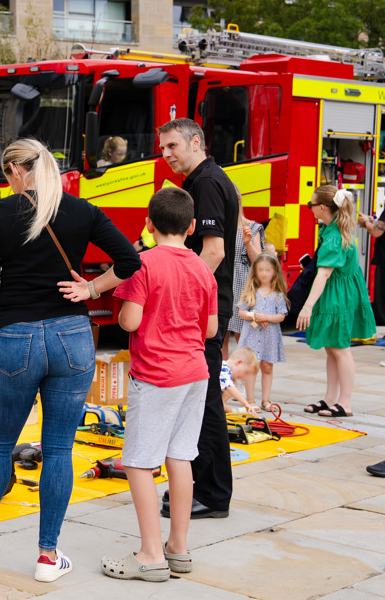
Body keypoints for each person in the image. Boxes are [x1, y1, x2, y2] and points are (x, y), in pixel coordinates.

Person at [0, 139, 140, 583]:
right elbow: (130, 261)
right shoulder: (82, 210)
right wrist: (92, 290)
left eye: (7, 174)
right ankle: (48, 556)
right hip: (72, 336)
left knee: (0, 445)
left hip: (18, 336)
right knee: (59, 447)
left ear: (15, 171)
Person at [101, 187, 216, 583]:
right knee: (180, 456)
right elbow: (212, 328)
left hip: (155, 375)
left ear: (148, 224)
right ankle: (177, 548)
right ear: (192, 227)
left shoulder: (143, 264)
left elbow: (130, 322)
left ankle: (150, 555)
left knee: (137, 463)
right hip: (195, 373)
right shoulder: (203, 268)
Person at [158, 117, 238, 520]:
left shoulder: (206, 182)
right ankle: (202, 488)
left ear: (195, 141)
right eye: (163, 148)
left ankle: (212, 493)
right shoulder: (205, 178)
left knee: (204, 403)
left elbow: (214, 251)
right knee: (200, 401)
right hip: (209, 304)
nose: (167, 155)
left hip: (204, 305)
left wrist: (182, 297)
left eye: (173, 146)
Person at [297, 186, 376, 418]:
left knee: (340, 349)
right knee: (332, 348)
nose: (309, 208)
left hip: (338, 296)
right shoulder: (333, 230)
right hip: (338, 292)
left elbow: (324, 274)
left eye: (311, 204)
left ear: (322, 208)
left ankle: (345, 403)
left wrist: (307, 307)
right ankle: (331, 399)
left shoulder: (333, 237)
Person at [237, 254, 289, 410]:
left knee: (267, 367)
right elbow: (241, 312)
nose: (264, 273)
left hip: (269, 337)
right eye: (260, 270)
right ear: (255, 271)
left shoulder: (278, 295)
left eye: (268, 270)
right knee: (252, 367)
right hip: (252, 336)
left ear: (274, 272)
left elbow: (281, 316)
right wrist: (254, 316)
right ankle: (250, 400)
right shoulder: (250, 292)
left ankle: (266, 400)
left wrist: (267, 317)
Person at [225, 185, 265, 358]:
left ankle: (243, 382)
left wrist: (248, 243)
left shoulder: (252, 227)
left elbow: (259, 261)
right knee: (220, 339)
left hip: (244, 290)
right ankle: (223, 381)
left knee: (243, 339)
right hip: (224, 285)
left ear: (238, 200)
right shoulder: (221, 228)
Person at [221, 347, 261, 414]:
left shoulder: (227, 372)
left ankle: (226, 410)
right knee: (233, 389)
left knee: (233, 388)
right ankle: (230, 411)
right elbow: (230, 388)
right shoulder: (223, 368)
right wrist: (246, 404)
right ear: (239, 363)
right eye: (245, 372)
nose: (243, 378)